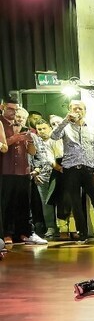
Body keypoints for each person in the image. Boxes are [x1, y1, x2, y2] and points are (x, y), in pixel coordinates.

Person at [51, 100, 94, 241]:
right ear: (70, 110)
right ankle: (82, 233)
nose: (77, 111)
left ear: (85, 111)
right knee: (76, 202)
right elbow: (53, 136)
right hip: (71, 169)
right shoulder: (65, 127)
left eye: (80, 108)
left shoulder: (91, 129)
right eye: (75, 108)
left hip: (89, 169)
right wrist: (66, 120)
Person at [1, 101, 45, 245]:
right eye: (17, 115)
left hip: (24, 171)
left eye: (22, 117)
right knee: (7, 204)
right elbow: (3, 146)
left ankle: (26, 232)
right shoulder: (3, 127)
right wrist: (15, 138)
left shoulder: (27, 130)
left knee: (24, 204)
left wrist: (30, 141)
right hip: (6, 171)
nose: (19, 119)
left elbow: (32, 152)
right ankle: (7, 233)